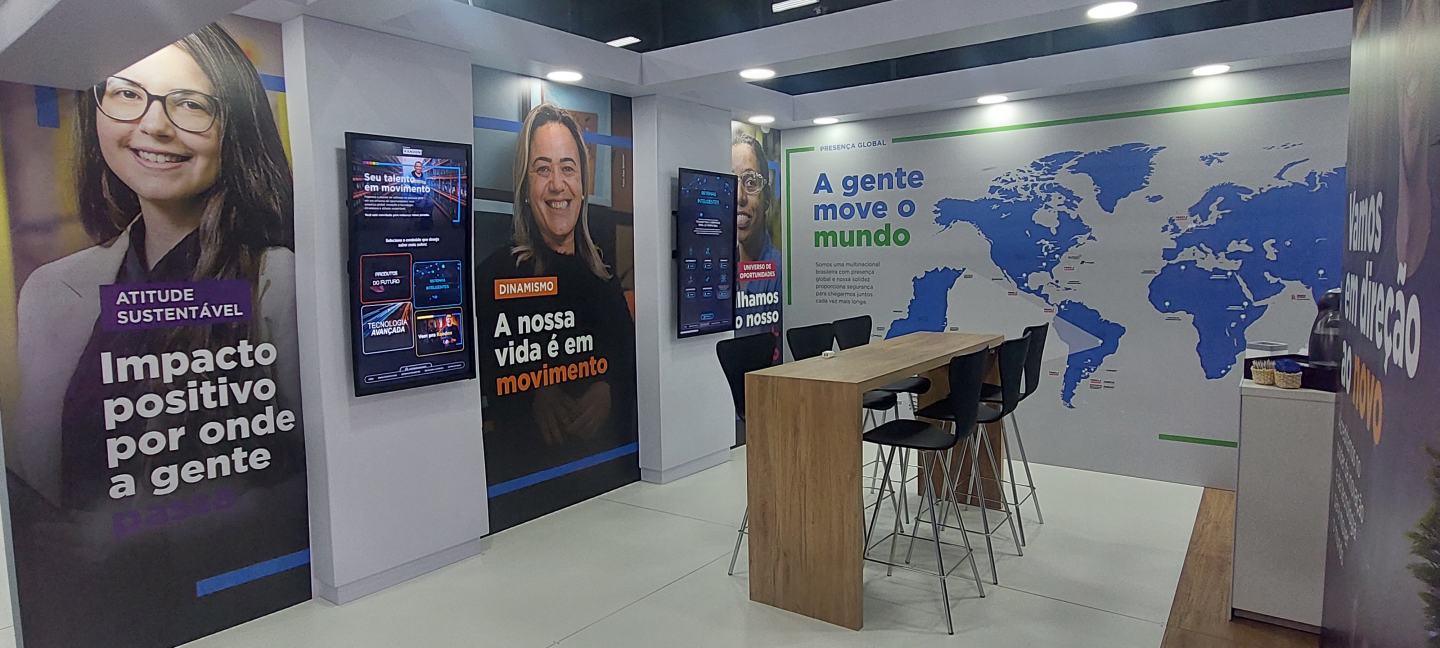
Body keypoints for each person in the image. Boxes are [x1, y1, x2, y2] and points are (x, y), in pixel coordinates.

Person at [8, 23, 307, 647]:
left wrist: (136, 535)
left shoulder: (280, 279)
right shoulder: (51, 291)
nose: (154, 125)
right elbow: (40, 485)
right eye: (127, 94)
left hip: (250, 605)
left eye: (191, 104)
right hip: (89, 616)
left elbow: (320, 475)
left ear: (237, 128)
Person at [476, 103, 636, 490]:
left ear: (583, 184)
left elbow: (627, 361)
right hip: (527, 485)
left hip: (610, 475)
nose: (557, 185)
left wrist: (608, 389)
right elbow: (485, 382)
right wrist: (534, 392)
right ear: (525, 186)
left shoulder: (603, 274)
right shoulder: (495, 275)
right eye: (542, 169)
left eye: (567, 168)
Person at [731, 132, 782, 297]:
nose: (739, 197)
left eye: (751, 182)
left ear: (766, 197)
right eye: (730, 182)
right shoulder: (720, 267)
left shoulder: (781, 272)